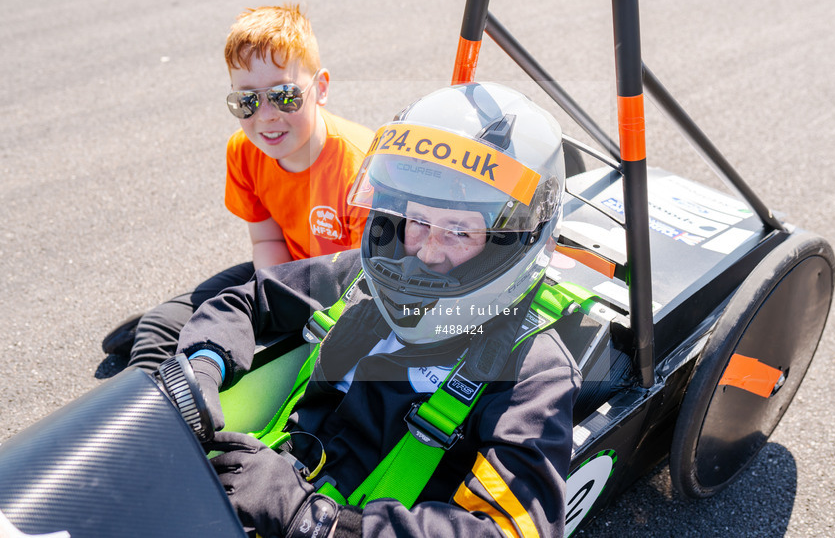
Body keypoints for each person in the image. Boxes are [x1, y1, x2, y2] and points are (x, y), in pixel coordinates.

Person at [178, 82, 582, 538]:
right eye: (417, 221)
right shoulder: (360, 274)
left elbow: (513, 530)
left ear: (511, 244)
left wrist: (318, 522)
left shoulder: (534, 369)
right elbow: (248, 300)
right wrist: (201, 369)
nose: (426, 253)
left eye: (459, 231)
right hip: (266, 484)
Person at [103, 4, 372, 373]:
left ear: (320, 88)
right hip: (283, 271)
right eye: (246, 100)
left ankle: (172, 394)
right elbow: (267, 243)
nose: (266, 115)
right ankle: (141, 404)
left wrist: (273, 321)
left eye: (284, 95)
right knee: (160, 326)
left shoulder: (361, 171)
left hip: (342, 295)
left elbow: (367, 288)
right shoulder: (244, 151)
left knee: (259, 357)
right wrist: (267, 302)